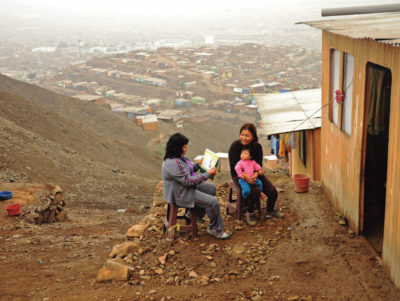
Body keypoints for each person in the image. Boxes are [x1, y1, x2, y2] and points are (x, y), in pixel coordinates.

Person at [162, 133, 232, 240]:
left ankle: (194, 214)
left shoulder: (177, 158)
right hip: (180, 194)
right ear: (178, 148)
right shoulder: (173, 163)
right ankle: (215, 229)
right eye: (184, 146)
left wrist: (197, 165)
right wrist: (208, 174)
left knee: (211, 188)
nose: (186, 148)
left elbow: (185, 173)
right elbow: (188, 180)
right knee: (212, 202)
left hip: (182, 188)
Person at [229, 123, 283, 225]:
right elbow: (234, 168)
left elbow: (258, 165)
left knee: (273, 192)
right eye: (242, 134)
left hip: (255, 174)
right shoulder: (235, 146)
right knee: (254, 190)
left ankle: (270, 211)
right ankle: (250, 213)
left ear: (253, 137)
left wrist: (255, 175)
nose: (243, 138)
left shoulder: (257, 147)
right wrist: (245, 177)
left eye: (247, 135)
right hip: (239, 176)